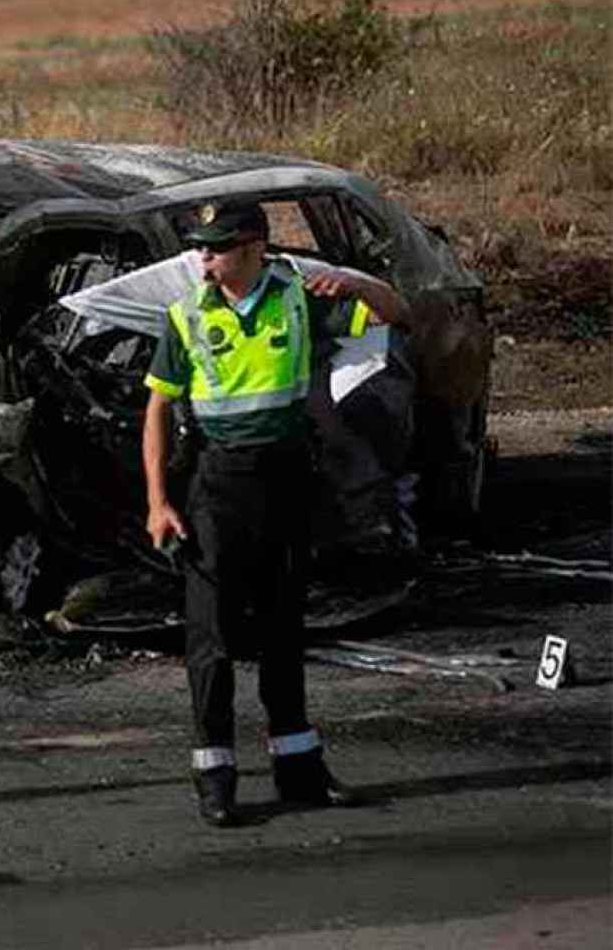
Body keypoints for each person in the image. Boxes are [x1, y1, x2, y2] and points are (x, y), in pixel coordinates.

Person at [142, 198, 410, 826]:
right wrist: (157, 502)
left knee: (284, 630)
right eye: (200, 248)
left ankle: (299, 768)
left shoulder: (300, 297)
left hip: (287, 480)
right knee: (210, 640)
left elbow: (398, 314)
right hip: (216, 486)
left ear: (254, 247)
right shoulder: (185, 316)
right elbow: (155, 410)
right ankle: (215, 775)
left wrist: (353, 281)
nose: (203, 259)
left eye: (217, 247)